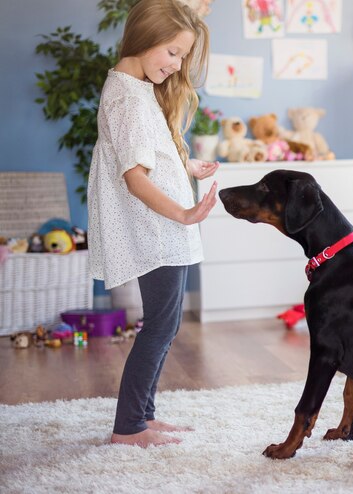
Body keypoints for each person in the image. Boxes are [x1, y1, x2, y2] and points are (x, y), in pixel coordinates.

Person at [87, 0, 219, 448]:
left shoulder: (137, 87)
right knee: (160, 326)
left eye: (182, 55)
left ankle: (143, 415)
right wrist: (183, 212)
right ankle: (128, 427)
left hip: (164, 231)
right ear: (144, 40)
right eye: (173, 52)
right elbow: (134, 177)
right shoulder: (125, 96)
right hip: (156, 231)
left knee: (167, 325)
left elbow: (151, 154)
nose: (177, 64)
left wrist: (189, 166)